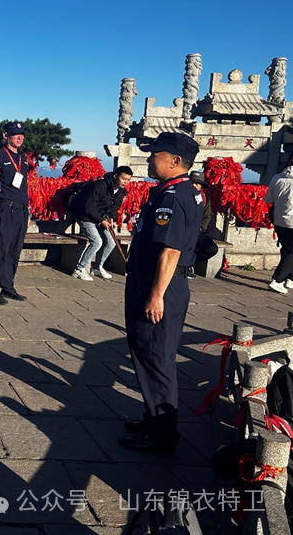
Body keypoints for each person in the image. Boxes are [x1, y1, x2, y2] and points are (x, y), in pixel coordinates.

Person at [119, 132, 201, 453]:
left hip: (159, 284)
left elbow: (170, 252)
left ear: (175, 161)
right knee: (148, 352)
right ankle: (154, 418)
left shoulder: (174, 196)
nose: (150, 158)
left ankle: (163, 434)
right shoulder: (178, 191)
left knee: (156, 357)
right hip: (159, 281)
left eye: (156, 154)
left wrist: (155, 296)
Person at [0, 121, 31, 304]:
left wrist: (28, 211)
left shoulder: (22, 157)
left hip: (20, 209)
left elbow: (25, 184)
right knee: (0, 248)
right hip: (5, 207)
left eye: (21, 134)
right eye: (15, 134)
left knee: (14, 250)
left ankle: (8, 285)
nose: (19, 137)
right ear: (6, 136)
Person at [71, 166, 133, 281]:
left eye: (128, 179)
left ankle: (97, 267)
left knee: (111, 242)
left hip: (101, 218)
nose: (126, 182)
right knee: (97, 242)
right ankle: (79, 269)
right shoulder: (99, 186)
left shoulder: (121, 191)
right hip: (85, 216)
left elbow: (115, 207)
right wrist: (101, 220)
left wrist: (111, 218)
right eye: (123, 178)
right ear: (115, 176)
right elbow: (89, 206)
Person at [265, 155, 293, 294]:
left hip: (279, 220)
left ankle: (290, 277)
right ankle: (278, 280)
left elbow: (268, 199)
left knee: (287, 249)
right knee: (290, 251)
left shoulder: (277, 178)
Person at [188, 170, 218, 278]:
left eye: (197, 184)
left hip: (198, 231)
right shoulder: (180, 196)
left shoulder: (205, 199)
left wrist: (201, 227)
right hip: (182, 230)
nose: (194, 186)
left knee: (212, 249)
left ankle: (190, 263)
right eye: (192, 183)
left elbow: (207, 216)